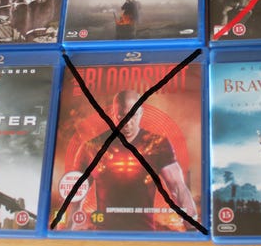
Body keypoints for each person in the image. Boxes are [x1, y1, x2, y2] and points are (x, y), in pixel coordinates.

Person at [73, 90, 197, 231]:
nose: (127, 123)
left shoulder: (157, 144)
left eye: (132, 115)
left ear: (141, 113)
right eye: (121, 116)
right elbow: (75, 196)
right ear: (113, 114)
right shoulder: (93, 147)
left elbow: (178, 188)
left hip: (145, 234)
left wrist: (193, 229)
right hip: (105, 235)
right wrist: (67, 232)